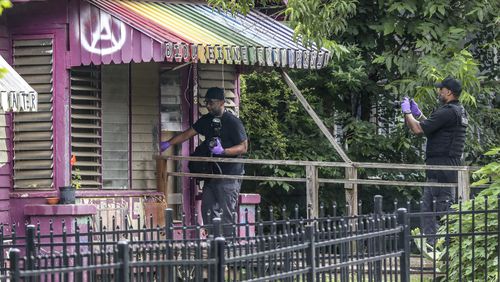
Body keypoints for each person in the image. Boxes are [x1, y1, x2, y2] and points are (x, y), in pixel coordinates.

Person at [160, 87, 248, 235]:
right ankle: (214, 241)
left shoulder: (233, 122)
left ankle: (227, 245)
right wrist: (168, 143)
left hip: (229, 174)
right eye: (206, 102)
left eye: (211, 102)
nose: (207, 105)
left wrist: (224, 151)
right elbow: (188, 134)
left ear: (221, 103)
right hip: (211, 173)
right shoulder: (206, 120)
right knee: (207, 209)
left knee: (227, 211)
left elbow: (243, 147)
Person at [401, 77, 468, 245]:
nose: (439, 92)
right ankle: (433, 248)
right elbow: (430, 127)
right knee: (428, 212)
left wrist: (407, 113)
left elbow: (417, 129)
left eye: (441, 89)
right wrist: (418, 114)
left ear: (449, 92)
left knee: (443, 214)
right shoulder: (457, 111)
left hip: (442, 171)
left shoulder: (448, 111)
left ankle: (447, 250)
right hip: (440, 170)